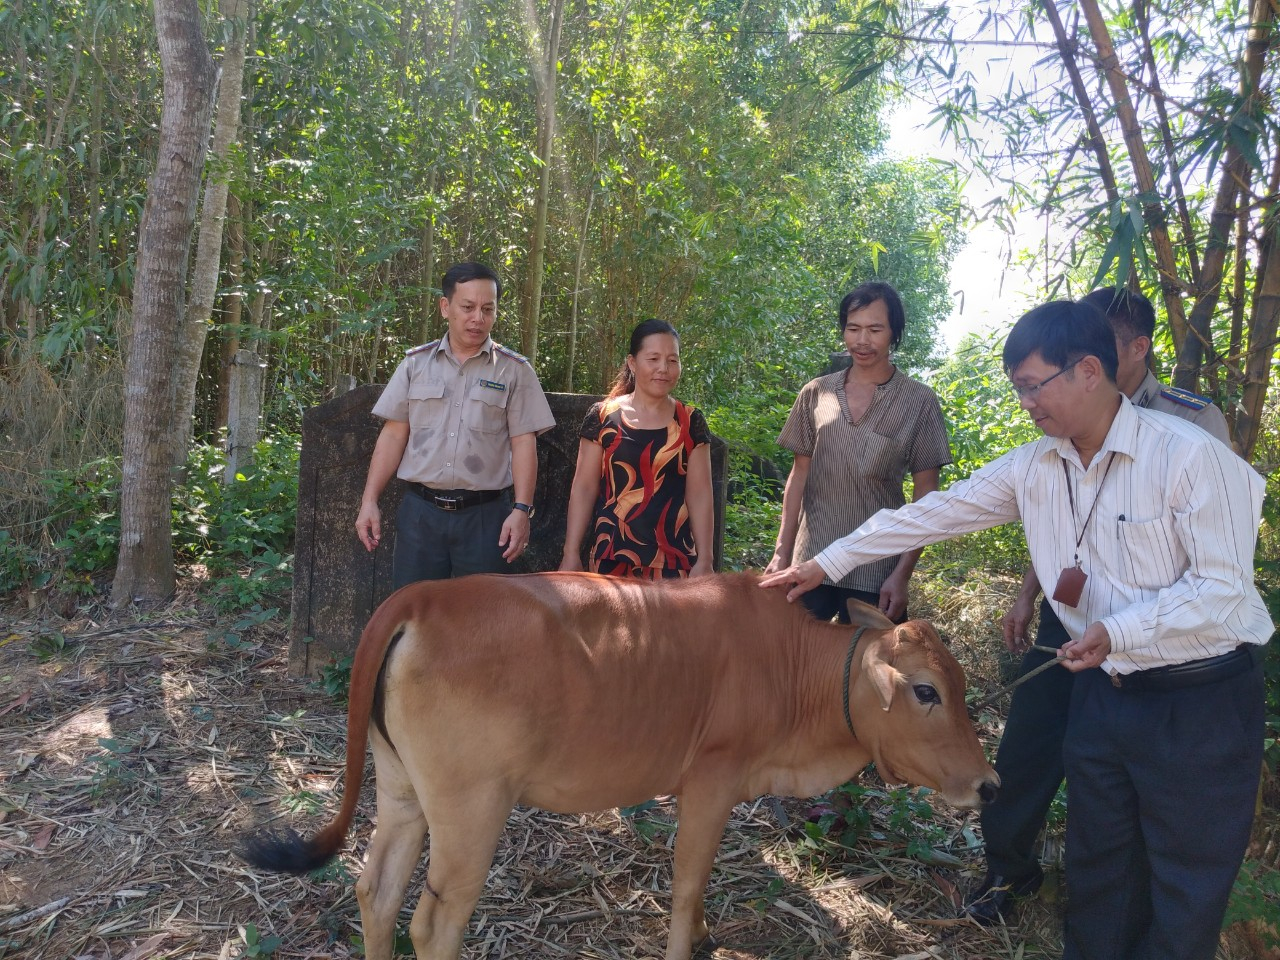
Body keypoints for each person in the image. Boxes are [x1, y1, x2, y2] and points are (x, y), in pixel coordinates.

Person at [761, 299, 1270, 960]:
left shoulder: (1192, 457)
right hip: (1104, 693)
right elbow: (936, 512)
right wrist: (823, 563)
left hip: (1197, 703)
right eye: (1018, 389)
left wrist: (1120, 631)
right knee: (1100, 864)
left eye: (1034, 385)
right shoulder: (1036, 466)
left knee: (1184, 880)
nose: (1026, 403)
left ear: (1089, 370)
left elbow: (1221, 587)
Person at [965, 286, 1233, 926]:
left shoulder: (1190, 424)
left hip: (1153, 631)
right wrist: (1030, 592)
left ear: (1134, 349)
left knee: (1118, 769)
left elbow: (1212, 551)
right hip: (1070, 611)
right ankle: (1008, 869)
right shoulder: (1060, 419)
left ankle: (1115, 894)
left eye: (1101, 344)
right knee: (1030, 741)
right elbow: (1060, 514)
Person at [356, 261, 556, 588]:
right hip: (421, 515)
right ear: (445, 307)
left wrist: (522, 510)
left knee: (484, 619)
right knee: (415, 614)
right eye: (468, 307)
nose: (478, 318)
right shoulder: (415, 365)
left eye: (487, 309)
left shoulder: (514, 370)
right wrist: (369, 500)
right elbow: (393, 435)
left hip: (486, 518)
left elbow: (524, 443)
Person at [764, 281, 951, 623]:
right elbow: (799, 474)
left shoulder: (918, 401)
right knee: (799, 670)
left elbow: (927, 494)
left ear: (894, 333)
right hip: (810, 560)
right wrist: (782, 553)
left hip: (877, 569)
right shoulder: (816, 393)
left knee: (872, 671)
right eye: (853, 328)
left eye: (875, 329)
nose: (862, 341)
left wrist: (903, 574)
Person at [560, 319, 714, 579]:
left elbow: (700, 494)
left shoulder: (690, 421)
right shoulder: (603, 417)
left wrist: (705, 560)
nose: (663, 369)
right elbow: (584, 488)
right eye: (653, 359)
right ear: (632, 363)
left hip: (674, 564)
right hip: (611, 558)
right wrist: (570, 553)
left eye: (672, 360)